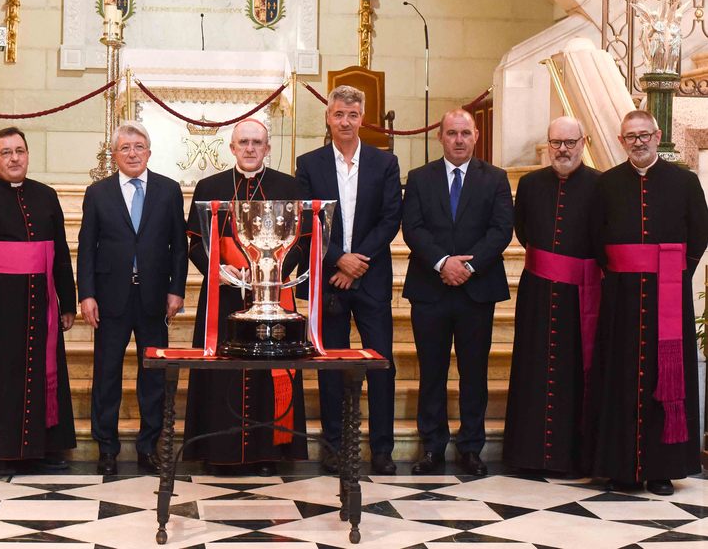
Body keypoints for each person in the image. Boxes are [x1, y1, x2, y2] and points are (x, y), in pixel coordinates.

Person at [584, 110, 708, 496]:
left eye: (644, 135)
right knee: (618, 377)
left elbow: (700, 232)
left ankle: (661, 470)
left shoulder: (685, 182)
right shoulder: (606, 184)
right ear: (622, 142)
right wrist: (621, 270)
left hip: (667, 297)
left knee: (665, 379)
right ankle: (621, 468)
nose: (638, 142)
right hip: (620, 299)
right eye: (630, 137)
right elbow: (594, 237)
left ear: (657, 136)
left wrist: (675, 274)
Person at [182, 119, 308, 475]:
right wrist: (220, 271)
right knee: (222, 372)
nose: (250, 148)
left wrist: (274, 269)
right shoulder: (211, 187)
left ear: (267, 149)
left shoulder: (288, 186)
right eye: (243, 143)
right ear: (232, 148)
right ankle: (219, 451)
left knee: (269, 373)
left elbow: (301, 241)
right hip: (224, 295)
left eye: (257, 143)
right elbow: (196, 242)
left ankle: (268, 454)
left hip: (271, 296)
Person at [0, 127, 77, 473]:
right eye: (5, 153)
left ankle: (44, 448)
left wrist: (68, 302)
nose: (14, 158)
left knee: (40, 373)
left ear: (27, 155)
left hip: (40, 305)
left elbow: (60, 254)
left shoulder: (46, 196)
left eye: (19, 151)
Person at [295, 85, 402, 475]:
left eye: (352, 115)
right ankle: (335, 447)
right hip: (328, 279)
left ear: (362, 118)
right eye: (338, 114)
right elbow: (307, 219)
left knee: (380, 364)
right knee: (331, 365)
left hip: (371, 278)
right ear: (328, 116)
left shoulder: (385, 163)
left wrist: (359, 261)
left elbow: (391, 217)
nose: (345, 122)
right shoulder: (309, 163)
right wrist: (338, 258)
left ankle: (382, 449)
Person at [402, 108, 513, 477]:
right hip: (429, 290)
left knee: (474, 373)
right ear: (440, 137)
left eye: (465, 133)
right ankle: (432, 448)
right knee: (431, 372)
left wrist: (467, 265)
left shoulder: (495, 179)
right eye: (452, 133)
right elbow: (412, 228)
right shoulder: (419, 178)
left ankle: (470, 448)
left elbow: (501, 230)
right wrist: (442, 262)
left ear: (476, 136)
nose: (459, 140)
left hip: (476, 290)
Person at [78, 121, 188, 475]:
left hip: (155, 297)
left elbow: (179, 246)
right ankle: (106, 449)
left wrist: (177, 289)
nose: (132, 153)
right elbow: (87, 249)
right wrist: (87, 294)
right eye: (125, 148)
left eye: (139, 146)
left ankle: (148, 446)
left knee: (153, 377)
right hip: (110, 298)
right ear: (114, 155)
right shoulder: (98, 193)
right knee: (107, 374)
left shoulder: (169, 190)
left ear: (149, 152)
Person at [503, 117, 600, 475]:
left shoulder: (599, 185)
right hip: (537, 293)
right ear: (548, 144)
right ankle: (527, 456)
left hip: (582, 295)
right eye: (556, 142)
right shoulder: (529, 185)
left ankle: (574, 457)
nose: (563, 149)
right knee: (533, 367)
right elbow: (523, 230)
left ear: (583, 142)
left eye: (570, 142)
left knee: (576, 371)